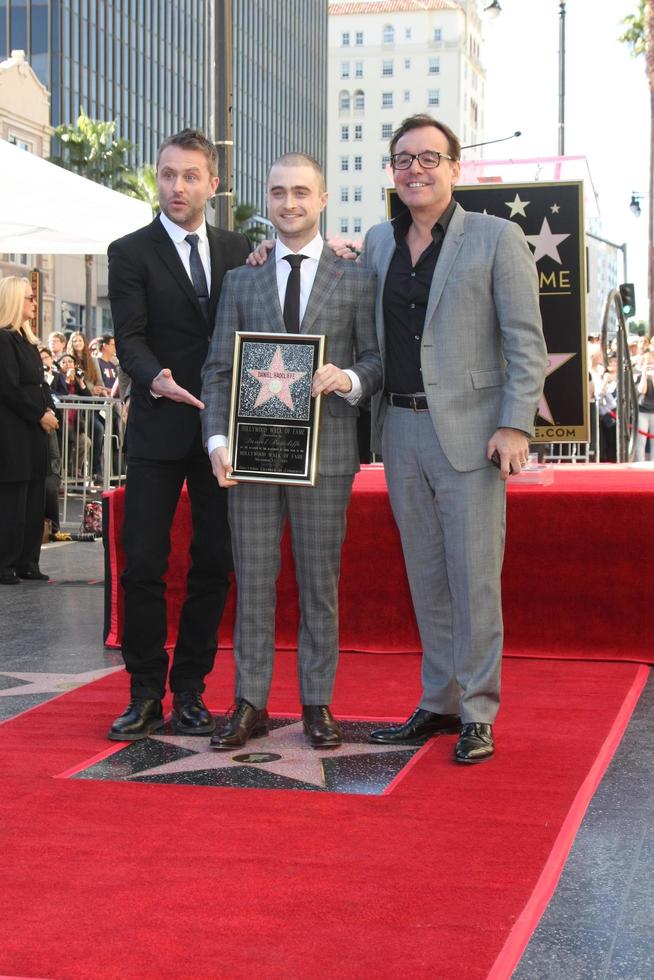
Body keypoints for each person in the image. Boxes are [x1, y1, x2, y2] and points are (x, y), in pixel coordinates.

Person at [356, 115, 547, 763]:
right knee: (427, 577)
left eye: (429, 158)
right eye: (403, 159)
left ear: (455, 168)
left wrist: (514, 422)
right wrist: (271, 251)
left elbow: (525, 341)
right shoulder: (378, 244)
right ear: (392, 171)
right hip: (400, 431)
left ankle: (479, 711)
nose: (415, 169)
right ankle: (439, 701)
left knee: (474, 579)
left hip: (471, 436)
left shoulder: (497, 237)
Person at [201, 153, 381, 750]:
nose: (289, 203)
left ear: (323, 199)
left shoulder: (357, 278)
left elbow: (377, 361)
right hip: (251, 454)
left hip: (326, 456)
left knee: (318, 584)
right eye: (278, 192)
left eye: (301, 192)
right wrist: (218, 441)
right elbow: (220, 369)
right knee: (252, 580)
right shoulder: (242, 279)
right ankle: (249, 701)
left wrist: (347, 379)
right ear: (268, 198)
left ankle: (316, 703)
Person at [106, 128, 251, 741]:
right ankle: (144, 692)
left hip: (222, 430)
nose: (177, 187)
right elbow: (130, 335)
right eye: (167, 174)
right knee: (143, 560)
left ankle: (191, 689)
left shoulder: (242, 247)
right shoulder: (130, 251)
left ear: (212, 184)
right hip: (159, 427)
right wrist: (152, 376)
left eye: (190, 176)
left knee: (215, 561)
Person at [0, 277, 59, 583]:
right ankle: (5, 562)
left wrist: (49, 409)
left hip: (34, 430)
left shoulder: (27, 340)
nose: (34, 303)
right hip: (13, 432)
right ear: (13, 300)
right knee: (13, 499)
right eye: (29, 298)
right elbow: (8, 387)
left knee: (35, 497)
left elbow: (40, 384)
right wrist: (40, 414)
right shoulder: (4, 339)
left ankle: (27, 560)